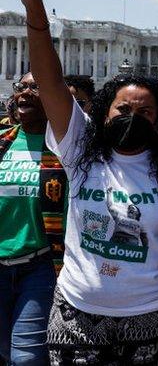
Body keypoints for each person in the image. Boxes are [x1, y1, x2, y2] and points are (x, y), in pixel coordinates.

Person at [9, 0, 158, 365]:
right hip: (80, 316)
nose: (134, 117)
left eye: (146, 112)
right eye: (124, 109)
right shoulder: (81, 149)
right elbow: (50, 81)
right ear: (104, 113)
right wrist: (36, 12)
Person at [0, 73, 67, 365]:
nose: (25, 93)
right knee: (4, 350)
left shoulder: (66, 148)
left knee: (26, 357)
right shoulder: (3, 143)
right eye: (21, 87)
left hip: (39, 264)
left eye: (36, 87)